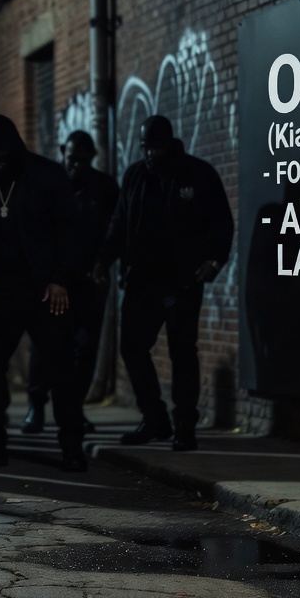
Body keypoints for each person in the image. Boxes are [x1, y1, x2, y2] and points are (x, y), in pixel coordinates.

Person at [95, 115, 233, 452]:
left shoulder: (198, 174)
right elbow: (118, 222)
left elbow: (221, 221)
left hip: (182, 282)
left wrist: (215, 260)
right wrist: (103, 260)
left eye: (156, 146)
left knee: (182, 350)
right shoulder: (135, 176)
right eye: (145, 147)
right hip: (142, 280)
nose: (150, 153)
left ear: (169, 143)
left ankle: (185, 425)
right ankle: (154, 417)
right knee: (132, 345)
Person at [0, 115, 86, 472]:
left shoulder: (46, 175)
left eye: (3, 158)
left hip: (45, 288)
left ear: (15, 153)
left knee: (62, 366)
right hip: (0, 287)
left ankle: (71, 446)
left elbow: (71, 232)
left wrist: (60, 279)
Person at [23, 131, 118, 434]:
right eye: (70, 157)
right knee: (45, 345)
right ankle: (36, 406)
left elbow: (116, 229)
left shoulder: (104, 188)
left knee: (85, 348)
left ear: (92, 156)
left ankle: (74, 410)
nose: (74, 164)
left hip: (89, 281)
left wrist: (105, 262)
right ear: (63, 152)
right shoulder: (50, 184)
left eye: (81, 158)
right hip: (54, 282)